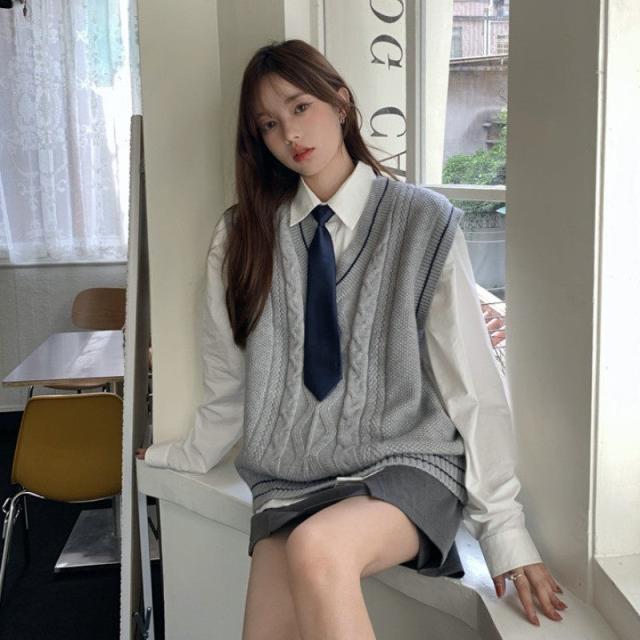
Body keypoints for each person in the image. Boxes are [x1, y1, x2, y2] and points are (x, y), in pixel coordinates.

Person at [136, 38, 567, 639]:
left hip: (406, 460)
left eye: (301, 106)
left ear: (339, 103)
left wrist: (504, 530)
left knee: (318, 548)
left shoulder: (423, 221)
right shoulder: (241, 236)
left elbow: (470, 383)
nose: (290, 133)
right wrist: (178, 454)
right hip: (290, 473)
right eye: (269, 124)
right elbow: (228, 379)